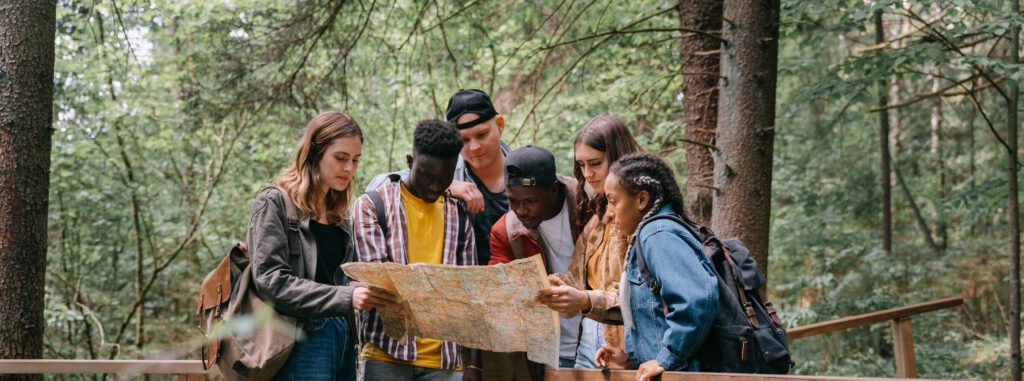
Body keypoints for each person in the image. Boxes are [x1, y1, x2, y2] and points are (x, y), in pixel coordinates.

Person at [247, 111, 397, 381]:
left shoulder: (340, 215)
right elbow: (270, 281)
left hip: (342, 334)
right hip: (300, 338)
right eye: (341, 158)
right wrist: (347, 297)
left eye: (355, 160)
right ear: (315, 153)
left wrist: (361, 290)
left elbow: (336, 280)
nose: (349, 169)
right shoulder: (275, 203)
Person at [353, 119, 477, 381]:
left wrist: (473, 365)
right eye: (427, 176)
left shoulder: (461, 218)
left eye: (444, 179)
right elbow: (380, 283)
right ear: (410, 162)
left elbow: (468, 297)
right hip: (386, 355)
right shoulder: (373, 206)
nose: (434, 186)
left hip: (446, 361)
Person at [592, 153, 718, 381]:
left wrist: (666, 358)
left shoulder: (658, 233)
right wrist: (631, 360)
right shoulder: (649, 235)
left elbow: (695, 300)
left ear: (641, 199)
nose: (609, 214)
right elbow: (656, 314)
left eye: (613, 201)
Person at [534, 115, 640, 369]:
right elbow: (576, 280)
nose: (587, 174)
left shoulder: (639, 215)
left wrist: (584, 300)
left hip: (627, 347)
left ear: (617, 158)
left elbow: (637, 296)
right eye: (581, 165)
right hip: (589, 343)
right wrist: (544, 286)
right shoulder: (597, 217)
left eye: (595, 163)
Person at [365, 88, 512, 266]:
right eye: (464, 140)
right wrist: (449, 184)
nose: (474, 147)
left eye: (482, 135)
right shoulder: (446, 173)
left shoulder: (525, 169)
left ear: (500, 125)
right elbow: (380, 187)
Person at [488, 145, 582, 378]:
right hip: (547, 354)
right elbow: (499, 292)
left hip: (597, 346)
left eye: (529, 201)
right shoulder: (505, 232)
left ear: (552, 189)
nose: (521, 210)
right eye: (512, 201)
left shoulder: (588, 206)